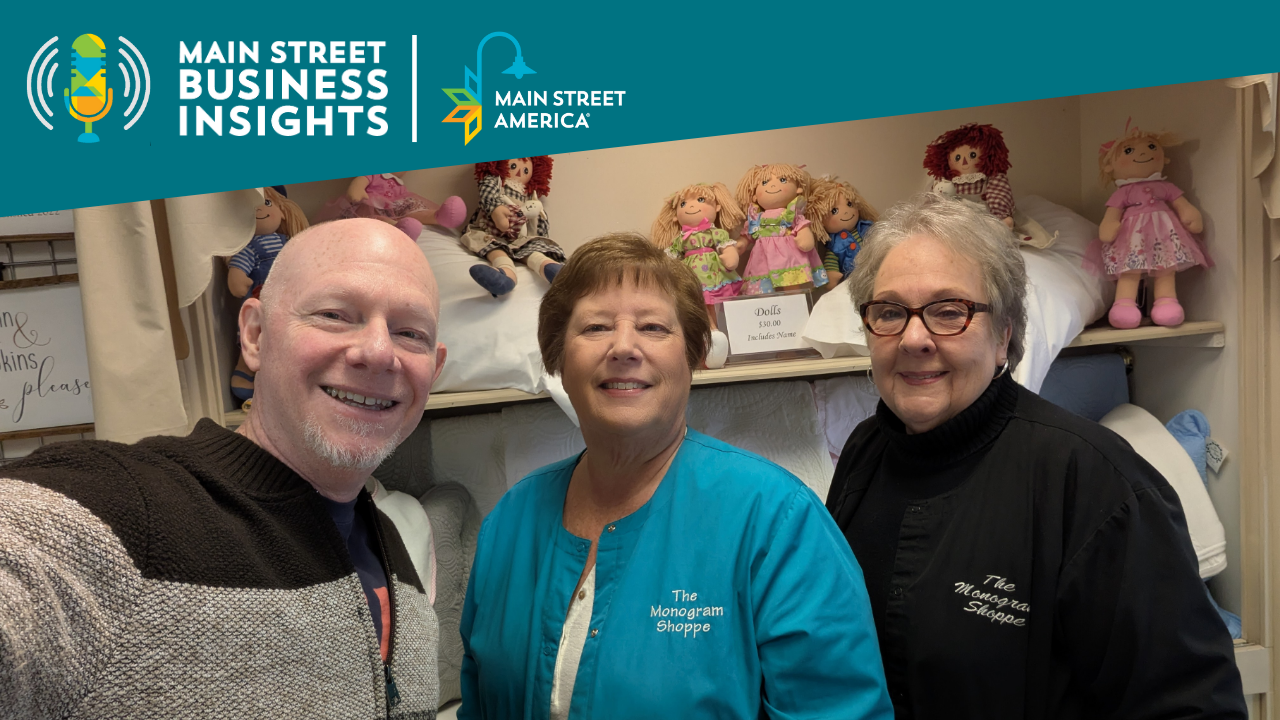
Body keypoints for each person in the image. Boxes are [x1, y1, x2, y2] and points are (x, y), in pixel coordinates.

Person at [0, 219, 448, 719]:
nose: (380, 352)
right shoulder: (122, 511)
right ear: (254, 335)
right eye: (335, 314)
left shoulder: (398, 556)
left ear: (435, 367)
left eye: (411, 333)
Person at [826, 193, 1245, 719]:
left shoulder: (1096, 482)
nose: (914, 338)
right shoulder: (866, 452)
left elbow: (1192, 706)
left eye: (949, 311)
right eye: (888, 312)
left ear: (1003, 335)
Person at [459, 232, 892, 719]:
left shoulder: (777, 522)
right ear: (559, 357)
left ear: (694, 355)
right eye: (596, 327)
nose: (624, 347)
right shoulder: (509, 522)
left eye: (653, 328)